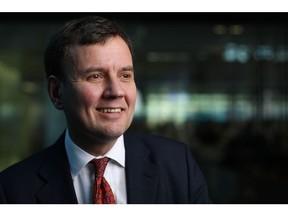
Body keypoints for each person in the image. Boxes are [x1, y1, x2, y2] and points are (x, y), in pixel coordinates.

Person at [0, 16, 211, 204]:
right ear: (56, 93)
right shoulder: (12, 190)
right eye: (95, 76)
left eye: (125, 75)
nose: (116, 91)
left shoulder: (176, 164)